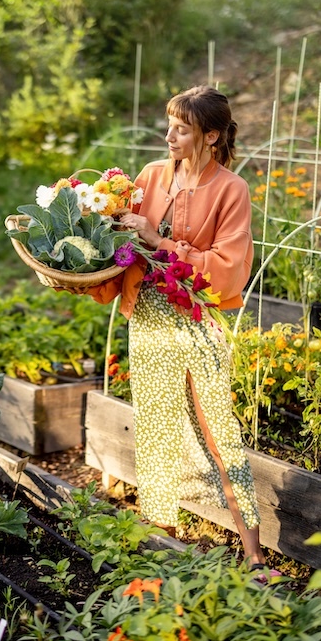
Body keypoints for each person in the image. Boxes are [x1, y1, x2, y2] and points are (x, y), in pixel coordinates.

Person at [87, 85, 266, 571]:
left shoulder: (232, 190)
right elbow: (123, 251)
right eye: (170, 124)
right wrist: (89, 259)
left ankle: (252, 553)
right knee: (158, 428)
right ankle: (160, 542)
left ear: (210, 136)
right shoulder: (149, 177)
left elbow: (227, 270)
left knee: (218, 430)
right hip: (147, 317)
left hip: (196, 319)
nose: (169, 135)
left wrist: (158, 241)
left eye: (181, 128)